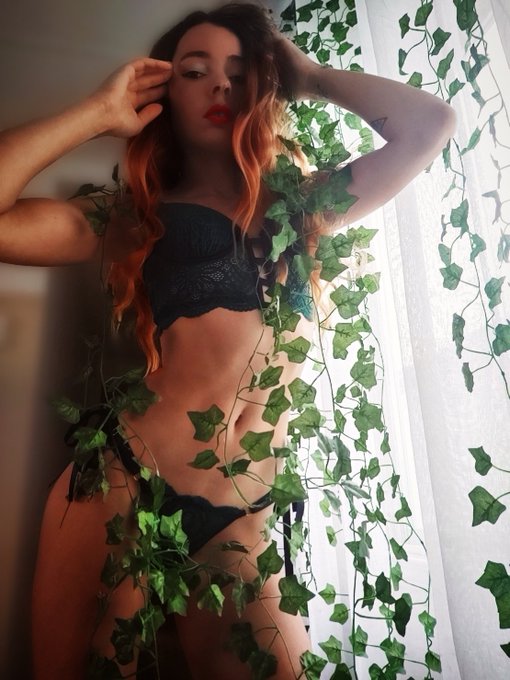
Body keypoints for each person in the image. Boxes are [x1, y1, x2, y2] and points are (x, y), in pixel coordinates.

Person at [0, 2, 456, 679]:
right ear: (164, 92)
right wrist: (98, 112)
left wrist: (310, 76)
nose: (220, 84)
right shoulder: (133, 216)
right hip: (126, 483)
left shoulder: (305, 205)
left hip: (243, 512)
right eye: (195, 71)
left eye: (239, 73)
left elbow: (430, 126)